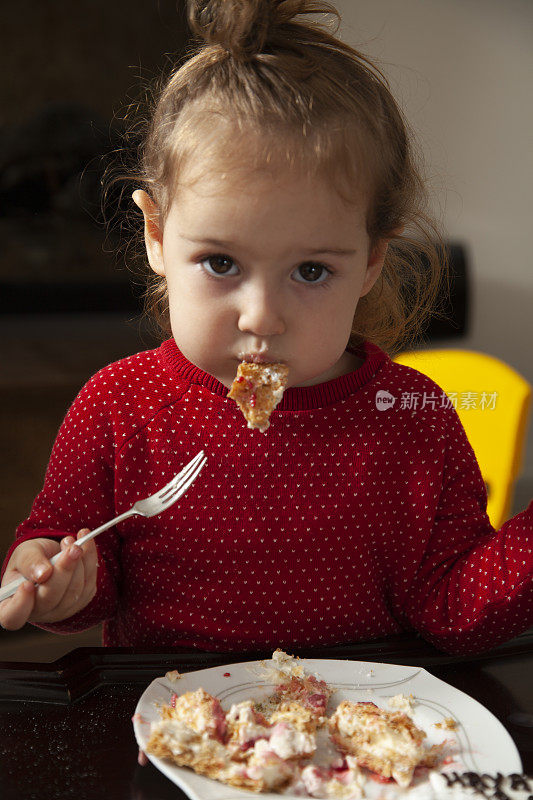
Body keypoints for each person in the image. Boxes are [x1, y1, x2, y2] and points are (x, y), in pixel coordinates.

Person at [0, 0, 531, 654]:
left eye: (310, 271)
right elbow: (74, 553)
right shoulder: (117, 407)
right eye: (220, 262)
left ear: (369, 260)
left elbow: (452, 606)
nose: (261, 317)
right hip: (176, 731)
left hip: (357, 737)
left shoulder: (415, 418)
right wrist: (55, 577)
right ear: (156, 236)